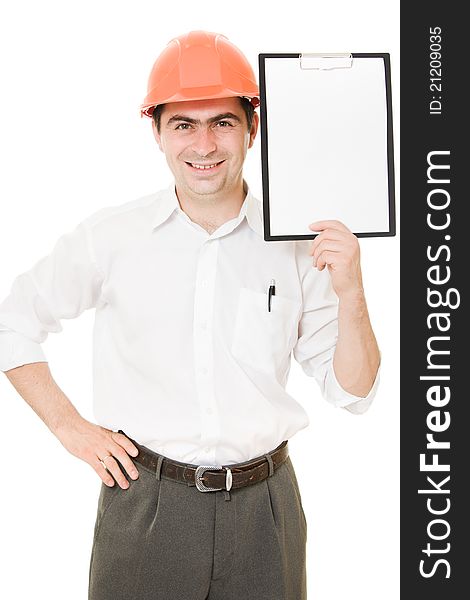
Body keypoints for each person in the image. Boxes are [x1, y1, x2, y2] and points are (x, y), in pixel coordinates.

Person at [0, 30, 380, 600]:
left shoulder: (301, 245)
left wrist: (352, 292)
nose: (204, 144)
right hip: (145, 504)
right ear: (156, 132)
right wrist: (68, 427)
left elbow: (355, 390)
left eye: (222, 122)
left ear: (252, 128)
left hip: (266, 511)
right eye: (184, 124)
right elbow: (13, 325)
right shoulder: (112, 238)